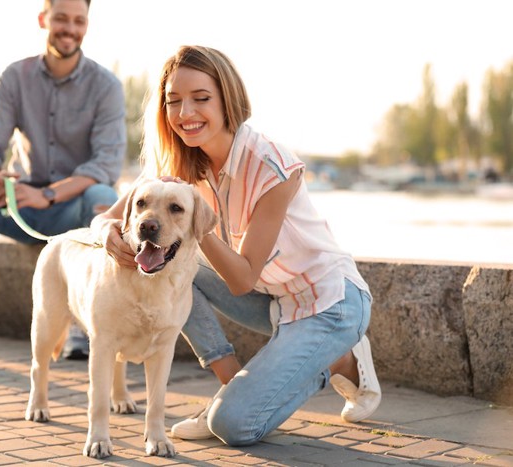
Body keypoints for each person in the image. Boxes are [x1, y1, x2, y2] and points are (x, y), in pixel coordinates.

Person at [91, 45, 381, 446]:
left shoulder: (271, 165)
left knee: (234, 426)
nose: (186, 113)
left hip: (329, 302)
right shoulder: (177, 163)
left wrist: (196, 222)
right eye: (174, 102)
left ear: (227, 99)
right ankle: (230, 387)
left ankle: (343, 357)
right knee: (167, 270)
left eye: (201, 99)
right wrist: (106, 234)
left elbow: (242, 278)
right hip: (274, 300)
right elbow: (107, 218)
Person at [0, 0, 126, 374]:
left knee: (104, 197)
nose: (70, 29)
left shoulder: (106, 86)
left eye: (80, 21)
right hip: (22, 206)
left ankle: (90, 322)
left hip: (74, 210)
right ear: (43, 19)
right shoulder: (14, 77)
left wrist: (48, 195)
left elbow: (105, 164)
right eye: (62, 18)